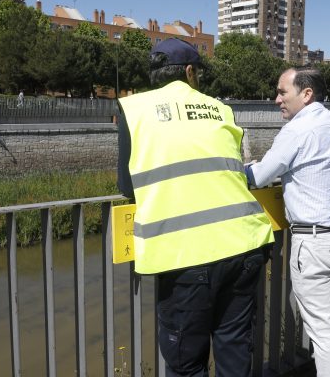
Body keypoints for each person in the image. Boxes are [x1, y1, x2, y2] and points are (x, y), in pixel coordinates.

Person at [117, 38, 274, 377]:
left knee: (186, 362)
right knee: (234, 350)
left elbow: (127, 186)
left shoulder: (134, 108)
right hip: (245, 245)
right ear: (190, 72)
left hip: (184, 255)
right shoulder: (220, 109)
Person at [245, 68, 330, 377]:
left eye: (282, 92)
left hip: (314, 242)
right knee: (326, 319)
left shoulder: (297, 129)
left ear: (306, 94)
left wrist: (237, 170)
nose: (276, 98)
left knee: (323, 332)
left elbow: (261, 176)